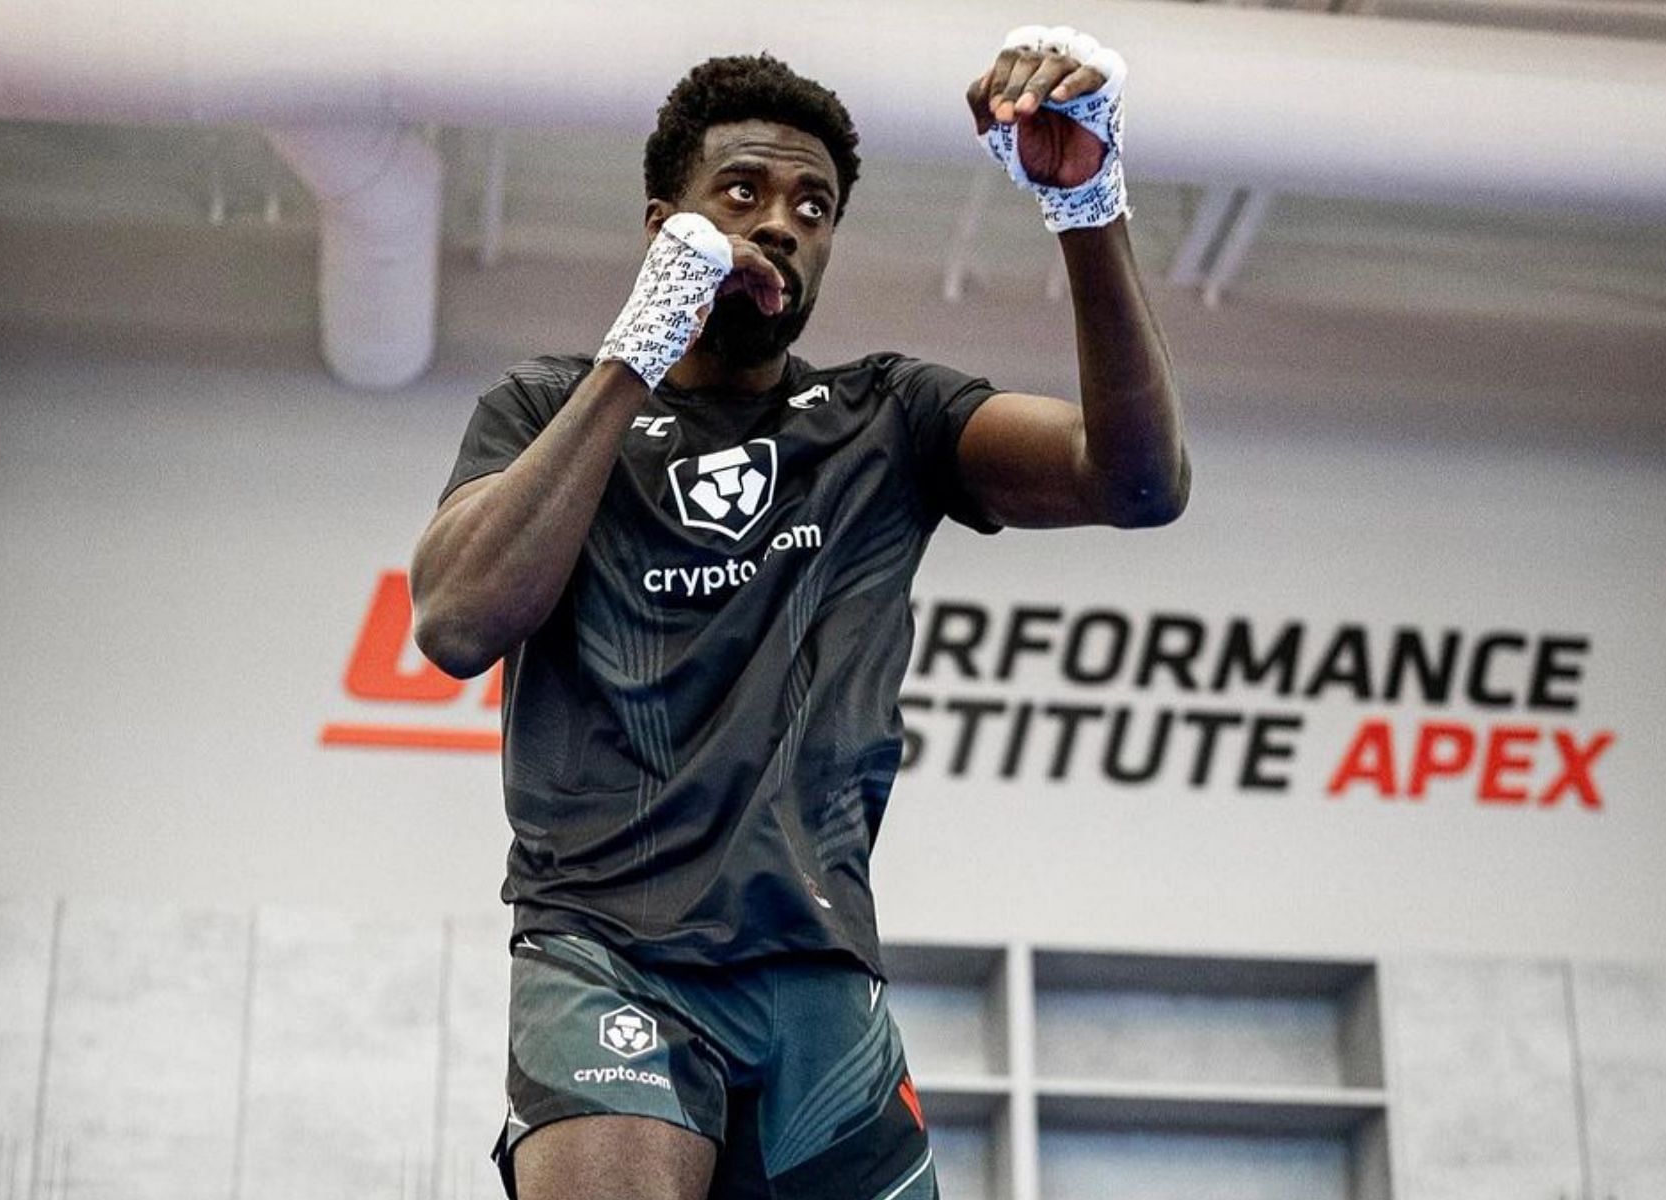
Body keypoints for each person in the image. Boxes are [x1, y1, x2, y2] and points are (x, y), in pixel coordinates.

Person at [411, 25, 1188, 1200]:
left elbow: (1136, 483)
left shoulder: (886, 420)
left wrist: (1090, 210)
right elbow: (459, 622)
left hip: (820, 978)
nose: (781, 220)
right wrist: (637, 349)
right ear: (660, 221)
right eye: (741, 190)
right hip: (608, 955)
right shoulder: (547, 409)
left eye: (814, 205)